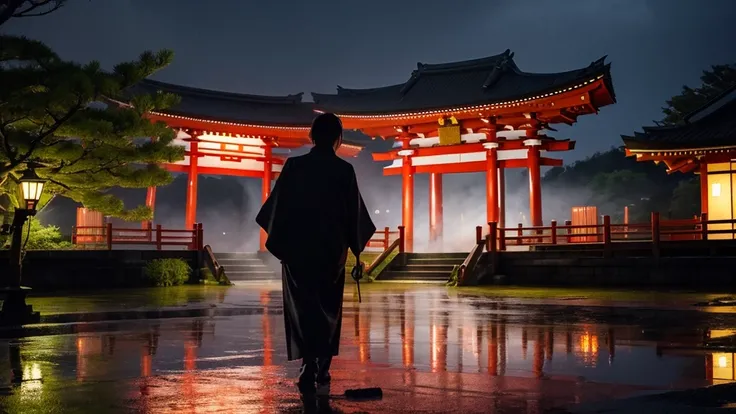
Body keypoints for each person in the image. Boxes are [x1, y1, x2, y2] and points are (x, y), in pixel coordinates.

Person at [256, 113, 376, 395]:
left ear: (312, 137)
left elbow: (277, 209)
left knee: (303, 308)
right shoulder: (344, 171)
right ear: (338, 139)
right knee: (327, 310)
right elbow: (353, 216)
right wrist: (355, 248)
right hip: (330, 252)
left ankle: (308, 364)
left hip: (298, 251)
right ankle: (322, 365)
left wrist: (283, 242)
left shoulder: (295, 167)